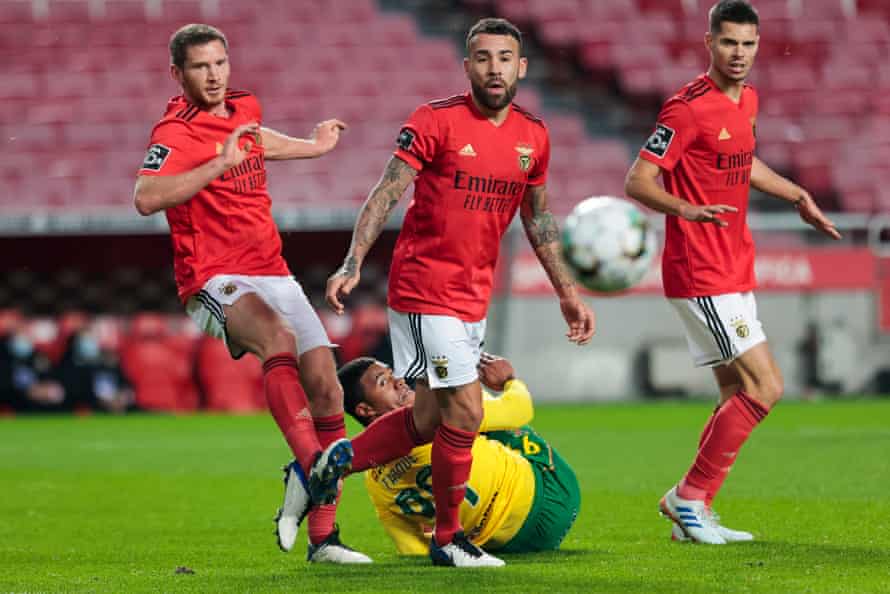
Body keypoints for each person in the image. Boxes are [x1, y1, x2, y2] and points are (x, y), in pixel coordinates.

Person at [325, 17, 595, 567]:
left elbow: (539, 219)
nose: (495, 68)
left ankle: (322, 469)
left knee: (427, 419)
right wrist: (353, 260)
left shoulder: (534, 136)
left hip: (472, 297)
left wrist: (567, 291)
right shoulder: (435, 120)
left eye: (505, 58)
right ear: (467, 66)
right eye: (483, 58)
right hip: (424, 287)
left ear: (521, 67)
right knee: (467, 411)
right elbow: (386, 191)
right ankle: (449, 541)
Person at [132, 24, 369, 563]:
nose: (213, 75)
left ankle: (323, 540)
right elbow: (145, 197)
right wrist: (218, 163)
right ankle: (310, 463)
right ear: (177, 74)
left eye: (220, 63)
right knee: (277, 338)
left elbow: (256, 140)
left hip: (272, 269)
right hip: (213, 276)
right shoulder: (174, 132)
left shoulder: (244, 105)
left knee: (328, 389)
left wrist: (313, 147)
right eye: (200, 66)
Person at [624, 0, 841, 544]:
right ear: (709, 43)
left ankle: (693, 512)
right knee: (766, 386)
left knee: (734, 393)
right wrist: (685, 208)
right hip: (700, 269)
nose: (738, 54)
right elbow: (638, 180)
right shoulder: (685, 109)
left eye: (747, 44)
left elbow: (743, 162)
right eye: (728, 42)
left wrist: (796, 194)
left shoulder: (748, 101)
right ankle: (689, 496)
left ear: (757, 46)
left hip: (733, 264)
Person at [338, 353, 580, 555]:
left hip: (504, 544)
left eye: (393, 374)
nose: (399, 381)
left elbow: (408, 542)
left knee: (469, 421)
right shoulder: (438, 416)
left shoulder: (373, 479)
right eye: (384, 382)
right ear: (365, 409)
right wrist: (510, 381)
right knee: (475, 413)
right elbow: (520, 410)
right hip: (555, 501)